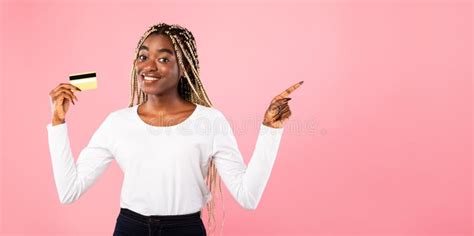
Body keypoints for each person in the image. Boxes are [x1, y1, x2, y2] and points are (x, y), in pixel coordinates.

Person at [46, 23, 303, 236]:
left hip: (185, 229)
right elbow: (70, 191)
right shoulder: (117, 123)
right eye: (143, 56)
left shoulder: (210, 122)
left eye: (164, 59)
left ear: (185, 68)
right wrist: (58, 122)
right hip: (130, 228)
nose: (149, 66)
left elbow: (248, 197)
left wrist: (270, 130)